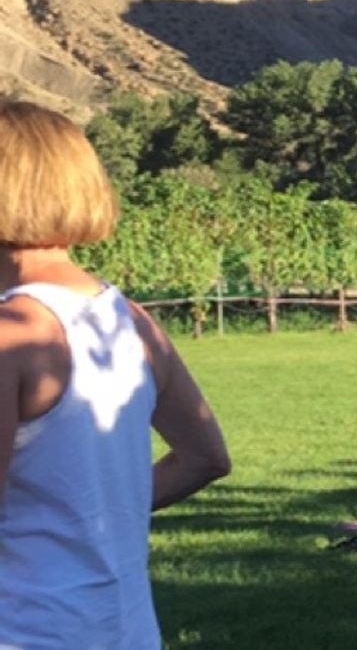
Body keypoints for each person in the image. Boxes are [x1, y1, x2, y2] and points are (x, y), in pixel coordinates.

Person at [0, 100, 231, 649]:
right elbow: (206, 457)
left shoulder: (12, 332)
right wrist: (93, 509)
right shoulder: (129, 319)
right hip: (123, 629)